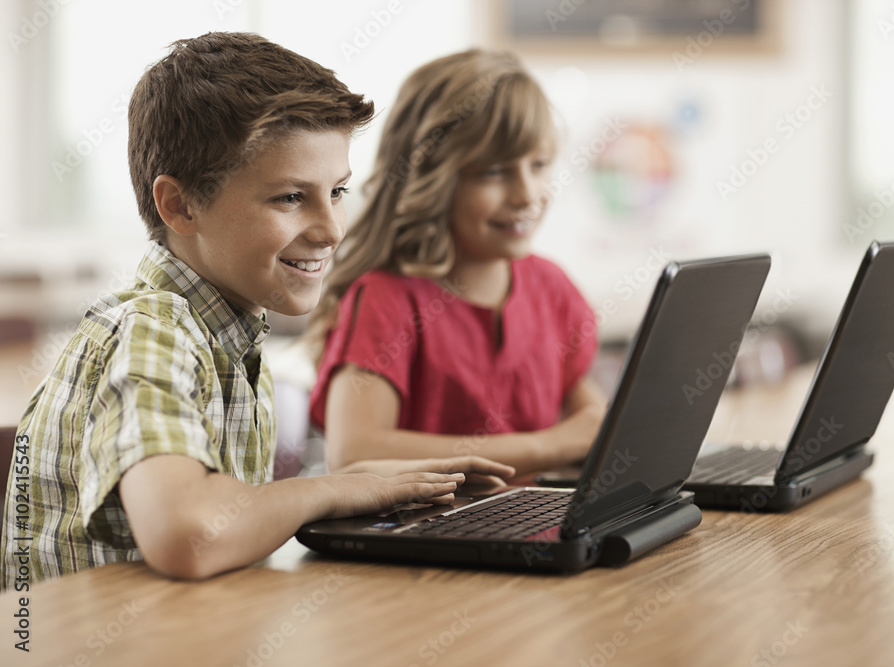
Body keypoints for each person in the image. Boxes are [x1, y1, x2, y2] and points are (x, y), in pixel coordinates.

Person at [0, 32, 514, 589]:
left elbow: (225, 513)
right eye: (290, 197)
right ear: (180, 205)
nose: (331, 229)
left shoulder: (229, 336)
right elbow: (189, 534)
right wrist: (330, 491)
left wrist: (359, 480)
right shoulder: (153, 329)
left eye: (337, 192)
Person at [305, 50, 606, 475]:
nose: (527, 194)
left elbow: (591, 426)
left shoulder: (551, 287)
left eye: (538, 165)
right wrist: (543, 447)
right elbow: (354, 453)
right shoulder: (386, 299)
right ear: (432, 178)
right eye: (494, 172)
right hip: (423, 536)